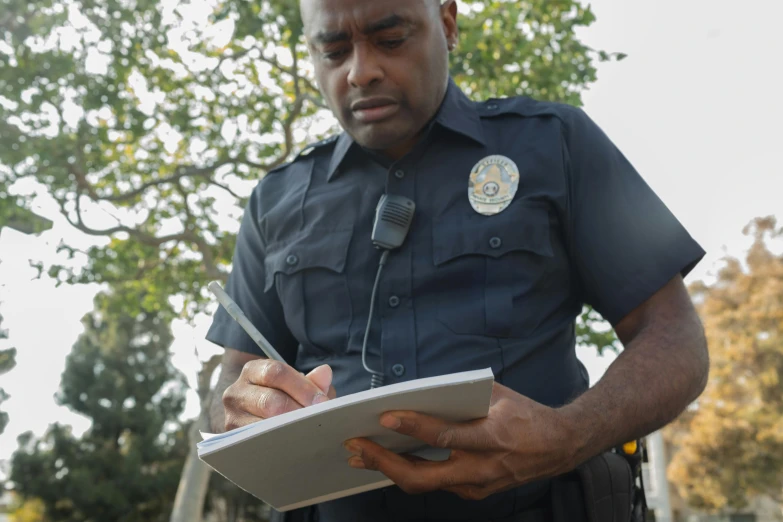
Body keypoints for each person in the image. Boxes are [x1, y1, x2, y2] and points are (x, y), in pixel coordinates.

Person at [206, 0, 709, 520]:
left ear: (447, 23)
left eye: (391, 38)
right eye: (332, 50)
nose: (361, 71)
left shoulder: (554, 144)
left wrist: (567, 436)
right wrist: (244, 407)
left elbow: (675, 339)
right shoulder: (275, 199)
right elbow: (234, 376)